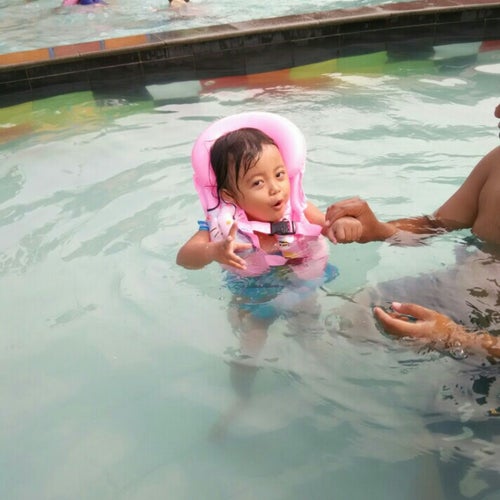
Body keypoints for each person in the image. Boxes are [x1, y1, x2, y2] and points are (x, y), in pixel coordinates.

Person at [177, 113, 359, 429]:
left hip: (299, 280)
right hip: (254, 291)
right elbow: (184, 258)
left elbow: (328, 227)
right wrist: (213, 251)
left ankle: (335, 385)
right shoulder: (222, 227)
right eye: (258, 183)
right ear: (230, 195)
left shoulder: (298, 210)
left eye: (279, 174)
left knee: (308, 330)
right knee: (250, 342)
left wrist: (343, 226)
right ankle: (242, 398)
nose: (275, 189)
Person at [323, 104, 500, 360]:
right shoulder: (496, 162)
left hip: (485, 342)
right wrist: (378, 229)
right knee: (348, 317)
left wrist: (454, 338)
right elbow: (435, 224)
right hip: (454, 291)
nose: (497, 112)